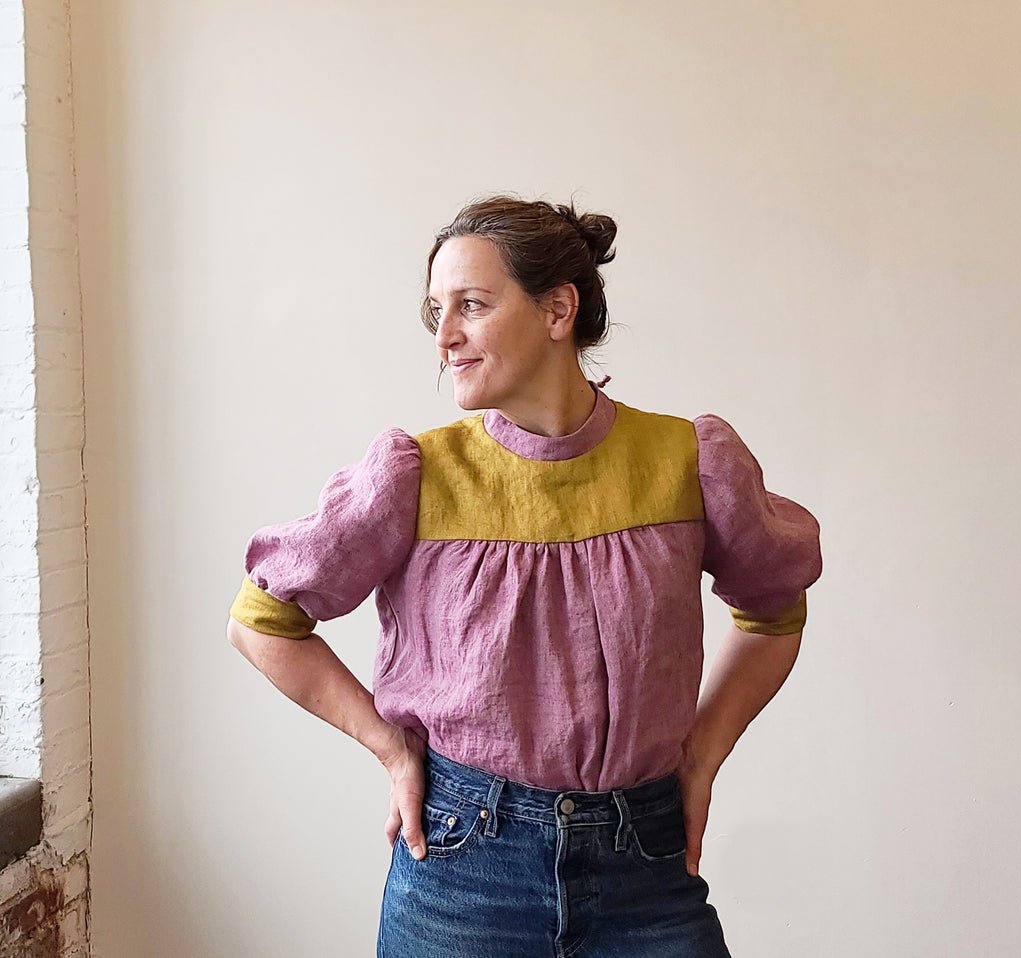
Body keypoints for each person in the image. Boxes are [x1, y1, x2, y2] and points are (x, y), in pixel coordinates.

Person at [225, 194, 823, 957]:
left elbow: (774, 611)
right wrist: (390, 748)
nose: (444, 336)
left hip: (646, 864)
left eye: (471, 305)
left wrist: (703, 757)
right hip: (462, 868)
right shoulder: (417, 474)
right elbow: (262, 621)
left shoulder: (686, 462)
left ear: (557, 310)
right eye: (436, 311)